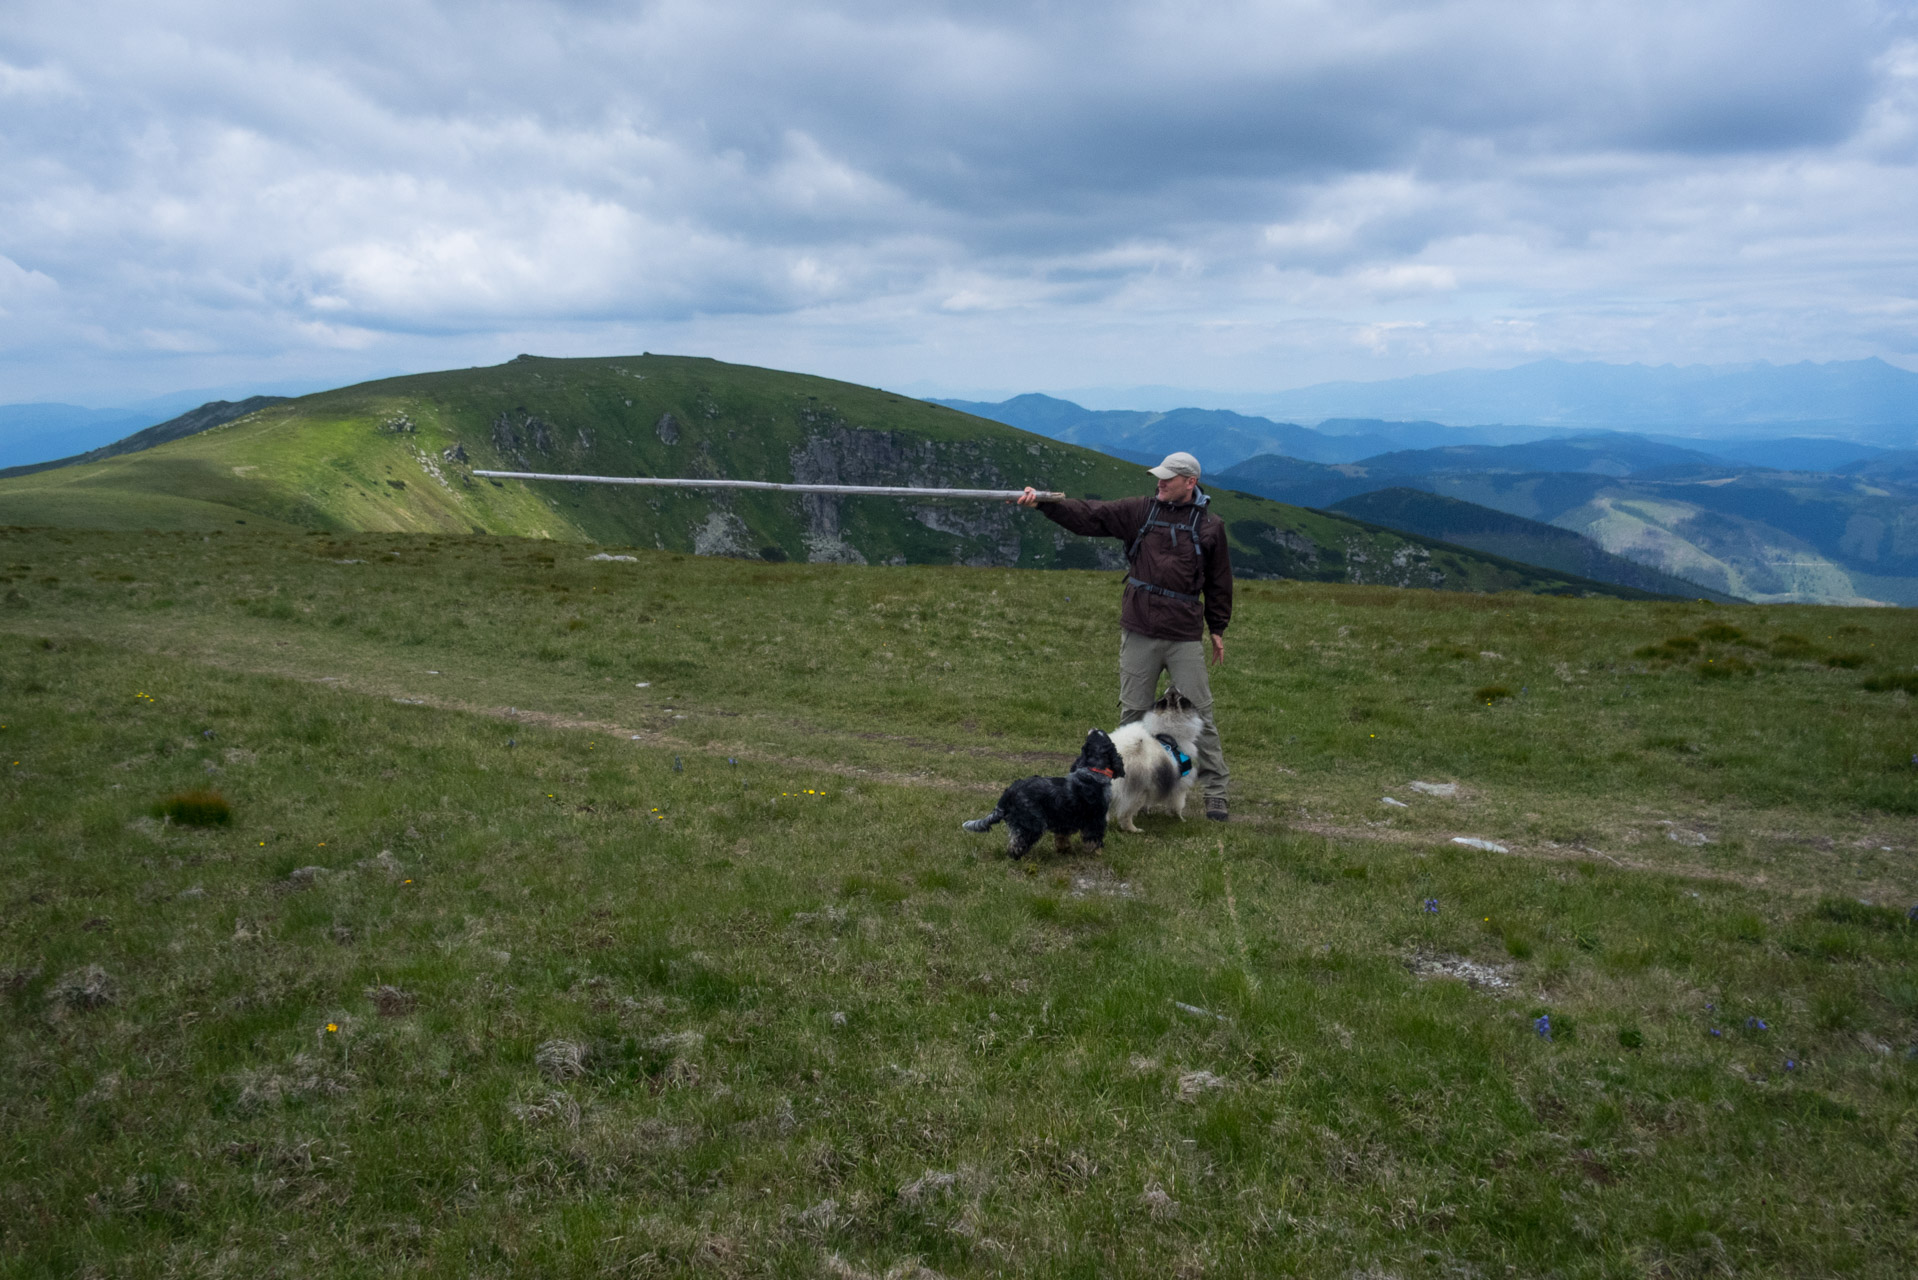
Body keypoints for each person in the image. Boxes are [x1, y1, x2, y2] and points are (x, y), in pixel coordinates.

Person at [1016, 450, 1233, 820]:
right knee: (1133, 714)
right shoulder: (1140, 511)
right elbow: (1090, 516)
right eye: (1159, 477)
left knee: (1200, 716)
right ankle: (1128, 788)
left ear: (1190, 482)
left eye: (1168, 478)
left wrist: (1217, 628)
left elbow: (1219, 581)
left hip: (1183, 634)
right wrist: (1045, 504)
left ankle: (1216, 791)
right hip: (1140, 629)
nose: (1160, 483)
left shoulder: (1210, 526)